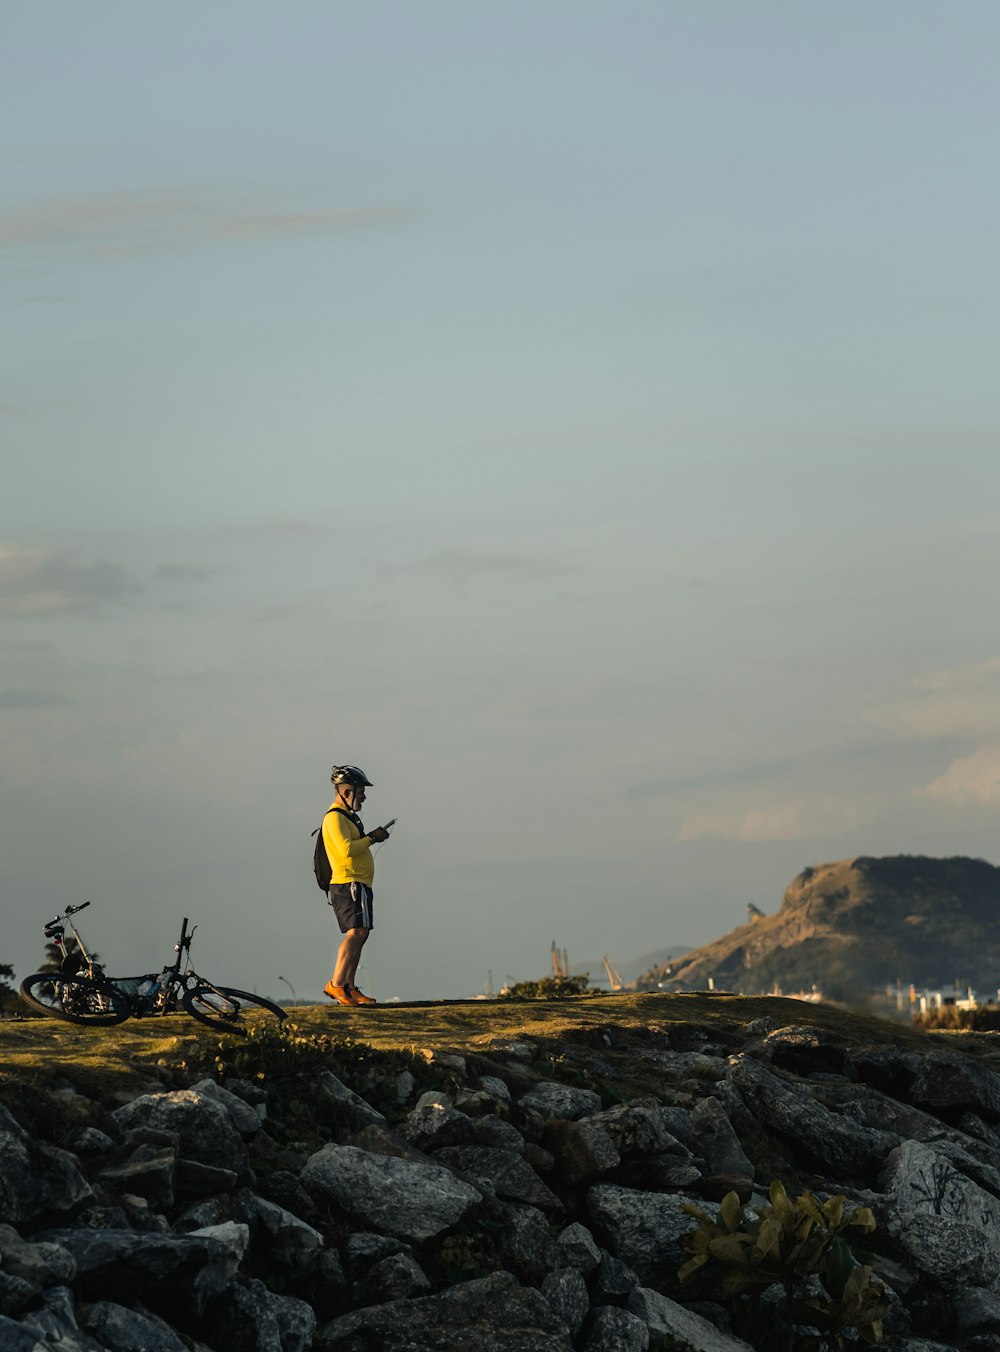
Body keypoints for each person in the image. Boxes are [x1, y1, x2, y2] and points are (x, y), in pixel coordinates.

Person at [321, 765, 390, 1006]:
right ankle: (337, 984)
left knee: (361, 933)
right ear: (347, 791)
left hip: (358, 883)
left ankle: (348, 988)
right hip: (348, 882)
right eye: (361, 791)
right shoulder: (334, 818)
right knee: (355, 933)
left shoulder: (346, 817)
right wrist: (372, 837)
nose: (364, 796)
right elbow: (346, 849)